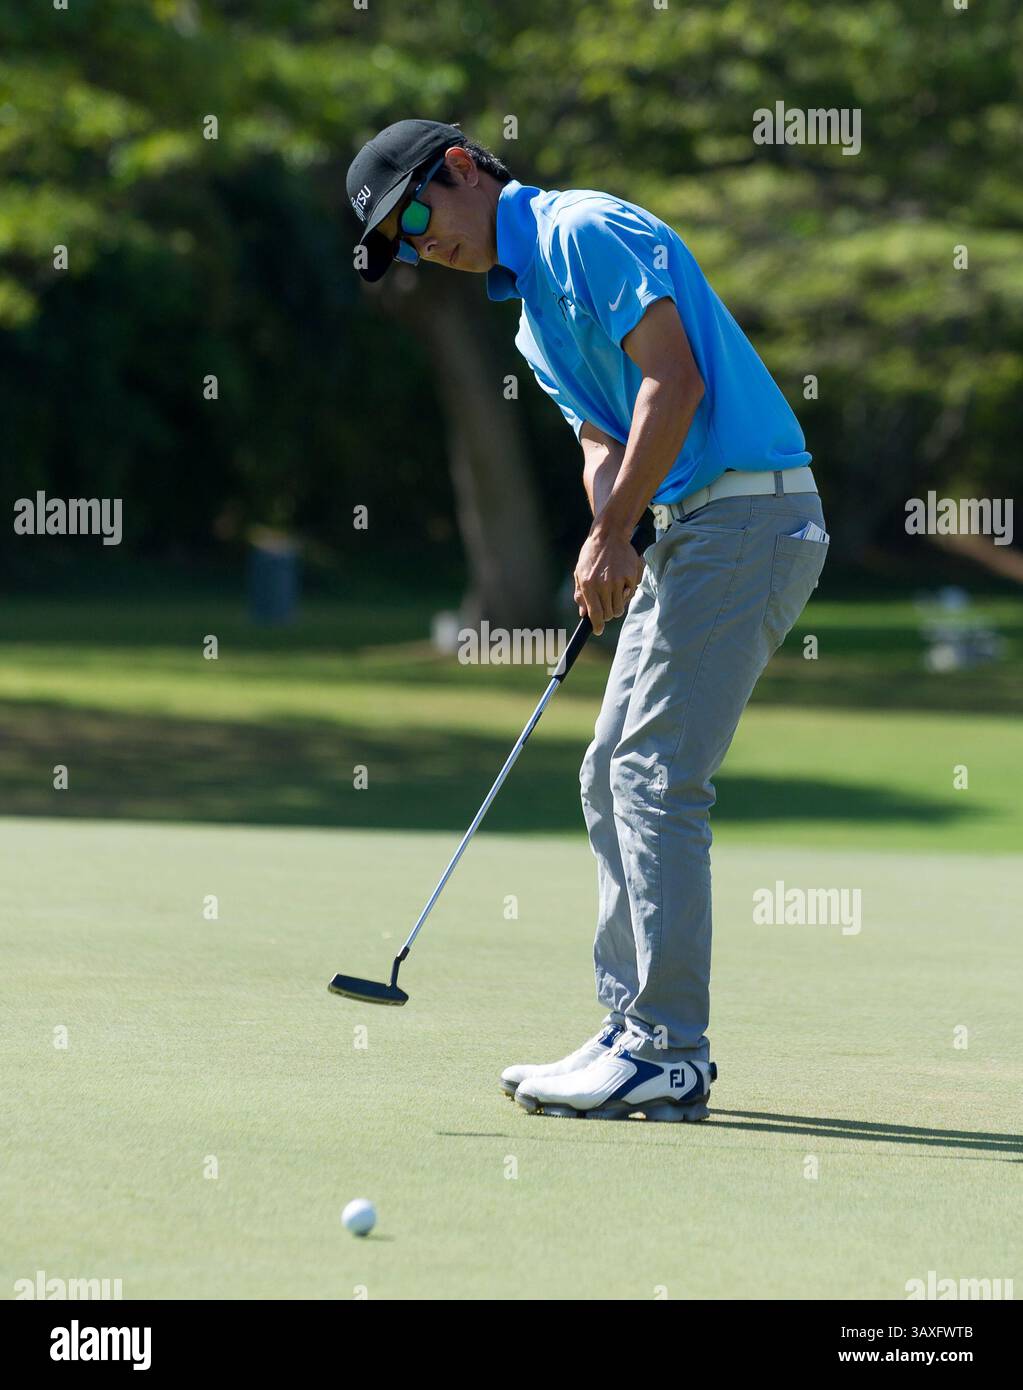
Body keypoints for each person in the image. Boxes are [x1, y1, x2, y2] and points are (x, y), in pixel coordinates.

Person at [347, 120, 829, 1122]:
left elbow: (676, 380)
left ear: (468, 166)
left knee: (655, 774)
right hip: (697, 526)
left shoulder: (580, 230)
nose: (422, 240)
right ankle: (629, 1030)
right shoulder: (527, 316)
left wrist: (617, 532)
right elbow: (606, 435)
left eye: (421, 212)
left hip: (748, 512)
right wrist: (604, 537)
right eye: (402, 238)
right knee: (609, 767)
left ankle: (667, 1048)